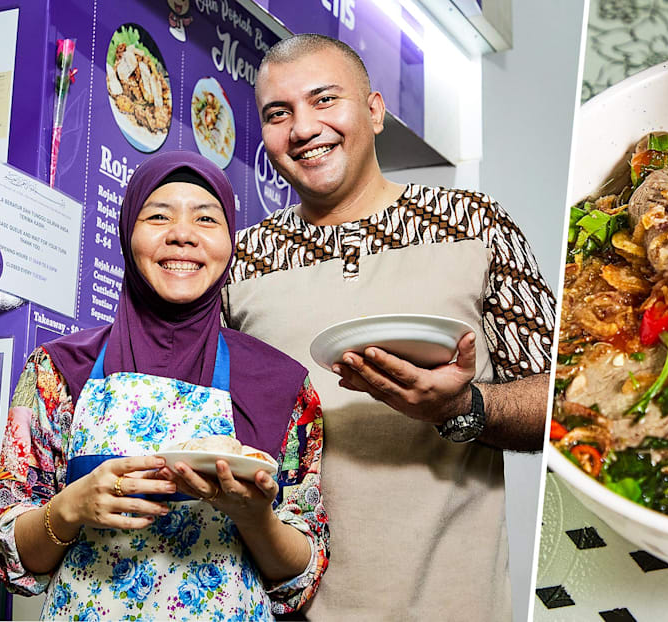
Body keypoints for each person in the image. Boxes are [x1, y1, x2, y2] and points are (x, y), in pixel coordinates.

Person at [222, 33, 555, 620]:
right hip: (282, 605)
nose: (302, 128)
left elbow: (565, 400)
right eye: (280, 113)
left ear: (374, 111)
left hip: (455, 604)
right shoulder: (241, 263)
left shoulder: (474, 225)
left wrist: (462, 408)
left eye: (325, 100)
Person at [0, 151, 328, 620]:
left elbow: (301, 576)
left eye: (207, 219)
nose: (183, 234)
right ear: (127, 233)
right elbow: (9, 558)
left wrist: (255, 518)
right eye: (158, 216)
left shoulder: (283, 387)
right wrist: (69, 509)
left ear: (229, 243)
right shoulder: (56, 372)